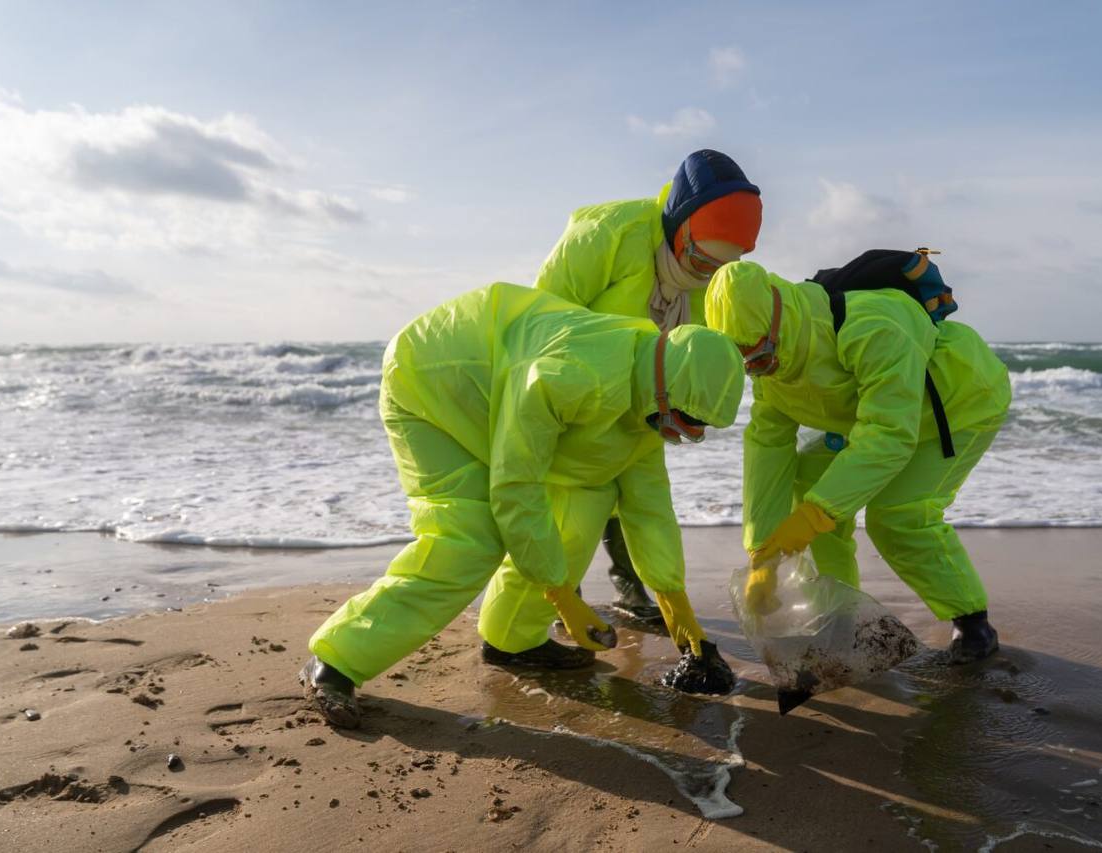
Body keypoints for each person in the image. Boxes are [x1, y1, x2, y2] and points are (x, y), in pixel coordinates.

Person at [301, 283, 744, 728]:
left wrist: (674, 600)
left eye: (701, 427)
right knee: (470, 538)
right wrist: (561, 594)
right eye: (689, 421)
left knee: (584, 508)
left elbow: (649, 507)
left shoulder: (650, 397)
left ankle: (512, 639)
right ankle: (338, 661)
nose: (692, 435)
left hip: (499, 395)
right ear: (667, 390)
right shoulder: (567, 375)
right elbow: (516, 486)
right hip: (432, 383)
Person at [704, 253, 1011, 663]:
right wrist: (762, 552)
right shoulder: (768, 368)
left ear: (778, 321)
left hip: (957, 405)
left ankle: (973, 624)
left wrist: (815, 515)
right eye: (745, 364)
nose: (760, 370)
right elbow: (767, 445)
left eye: (760, 356)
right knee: (810, 490)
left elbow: (888, 435)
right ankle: (840, 617)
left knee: (898, 516)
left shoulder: (872, 325)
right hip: (869, 417)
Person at [524, 148, 762, 623]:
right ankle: (535, 612)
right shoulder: (609, 235)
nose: (703, 274)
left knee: (639, 495)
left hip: (643, 398)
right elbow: (541, 319)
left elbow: (706, 348)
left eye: (718, 267)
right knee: (564, 502)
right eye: (698, 257)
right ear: (678, 225)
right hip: (574, 389)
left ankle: (632, 588)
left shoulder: (710, 278)